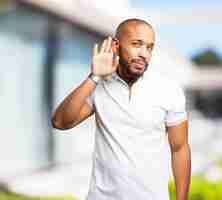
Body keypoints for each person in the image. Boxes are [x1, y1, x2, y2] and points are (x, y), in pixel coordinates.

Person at [51, 18, 191, 200]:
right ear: (116, 45)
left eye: (149, 47)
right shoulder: (99, 85)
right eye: (136, 44)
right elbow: (60, 122)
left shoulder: (169, 90)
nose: (144, 54)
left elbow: (179, 149)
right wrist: (94, 77)